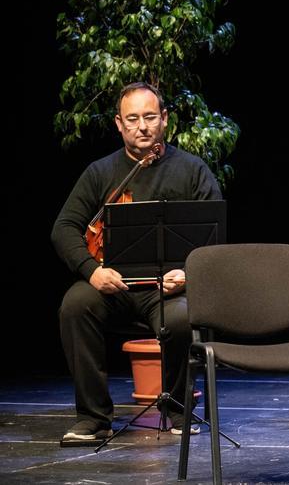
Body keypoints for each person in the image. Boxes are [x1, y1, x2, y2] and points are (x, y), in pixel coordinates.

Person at [51, 82, 222, 443]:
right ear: (118, 124)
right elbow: (63, 228)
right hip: (113, 286)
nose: (142, 126)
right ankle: (93, 419)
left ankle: (177, 409)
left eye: (149, 117)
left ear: (164, 119)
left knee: (180, 318)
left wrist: (189, 273)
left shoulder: (193, 170)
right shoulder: (100, 171)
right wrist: (92, 271)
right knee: (75, 306)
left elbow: (216, 240)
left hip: (168, 289)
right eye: (132, 119)